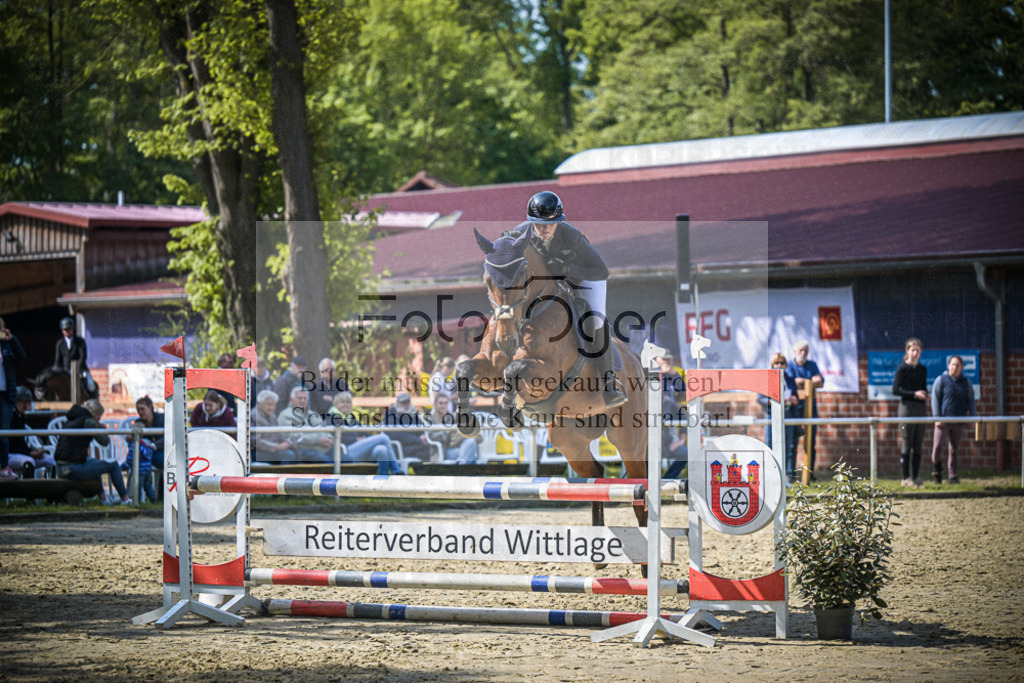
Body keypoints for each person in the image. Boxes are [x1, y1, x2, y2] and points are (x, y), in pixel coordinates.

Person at [510, 191, 626, 409]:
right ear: (530, 222)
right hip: (545, 285)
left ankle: (610, 383)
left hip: (584, 279)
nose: (544, 229)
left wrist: (566, 269)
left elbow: (601, 271)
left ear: (558, 222)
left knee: (595, 321)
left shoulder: (571, 236)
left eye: (550, 224)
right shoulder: (519, 235)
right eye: (538, 224)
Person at [54, 399, 131, 505]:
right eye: (99, 417)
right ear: (95, 415)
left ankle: (104, 499)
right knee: (113, 465)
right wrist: (101, 428)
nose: (100, 419)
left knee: (94, 462)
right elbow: (104, 441)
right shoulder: (88, 421)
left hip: (61, 468)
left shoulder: (73, 418)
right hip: (73, 468)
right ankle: (125, 499)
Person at [327, 392, 402, 474]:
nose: (345, 404)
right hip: (344, 453)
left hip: (359, 451)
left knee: (381, 449)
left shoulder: (352, 419)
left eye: (348, 402)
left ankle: (383, 481)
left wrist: (365, 440)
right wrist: (356, 439)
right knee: (383, 438)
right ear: (336, 404)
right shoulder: (331, 417)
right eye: (342, 402)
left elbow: (366, 434)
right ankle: (396, 470)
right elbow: (332, 438)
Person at [930, 355, 976, 485]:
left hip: (959, 421)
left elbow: (971, 401)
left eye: (958, 365)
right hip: (943, 421)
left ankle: (952, 475)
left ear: (962, 368)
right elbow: (935, 399)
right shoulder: (941, 380)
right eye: (953, 364)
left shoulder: (966, 383)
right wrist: (937, 418)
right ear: (948, 365)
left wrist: (973, 418)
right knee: (937, 447)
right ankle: (936, 472)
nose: (954, 367)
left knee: (954, 449)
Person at [892, 338, 928, 487]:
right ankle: (905, 477)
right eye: (912, 350)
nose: (915, 353)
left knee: (918, 444)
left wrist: (926, 394)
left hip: (920, 409)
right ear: (907, 351)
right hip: (906, 409)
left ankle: (915, 477)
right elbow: (896, 390)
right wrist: (914, 394)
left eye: (918, 350)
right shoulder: (902, 369)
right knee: (907, 442)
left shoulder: (922, 369)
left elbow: (923, 387)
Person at [785, 340, 824, 478]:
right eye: (801, 350)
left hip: (810, 407)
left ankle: (809, 473)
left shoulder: (812, 365)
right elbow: (791, 381)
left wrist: (803, 381)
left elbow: (820, 381)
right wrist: (809, 381)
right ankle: (791, 474)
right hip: (795, 409)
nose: (803, 353)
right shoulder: (789, 365)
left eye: (806, 350)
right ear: (795, 351)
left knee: (810, 441)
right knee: (792, 442)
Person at [7, 386, 57, 478]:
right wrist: (30, 453)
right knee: (29, 461)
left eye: (27, 402)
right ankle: (27, 489)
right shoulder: (9, 418)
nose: (26, 406)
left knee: (51, 460)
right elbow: (12, 447)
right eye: (23, 402)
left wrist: (33, 451)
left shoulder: (20, 417)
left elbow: (21, 445)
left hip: (21, 454)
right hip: (9, 454)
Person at [0, 317, 27, 479]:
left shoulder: (7, 345)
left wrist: (12, 339)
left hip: (5, 394)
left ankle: (4, 467)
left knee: (3, 433)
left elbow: (22, 356)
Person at [277, 387, 332, 463]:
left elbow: (324, 429)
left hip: (323, 448)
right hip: (301, 450)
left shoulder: (314, 414)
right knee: (325, 462)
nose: (302, 400)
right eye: (299, 398)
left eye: (304, 398)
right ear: (291, 400)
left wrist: (329, 438)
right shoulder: (285, 415)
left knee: (345, 460)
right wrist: (317, 440)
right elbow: (293, 436)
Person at [129, 396, 165, 502]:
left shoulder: (162, 419)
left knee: (168, 464)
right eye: (138, 410)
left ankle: (161, 497)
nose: (140, 412)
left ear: (150, 407)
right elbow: (132, 442)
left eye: (142, 409)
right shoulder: (139, 422)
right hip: (146, 456)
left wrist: (154, 445)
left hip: (160, 452)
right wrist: (130, 436)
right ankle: (141, 499)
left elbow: (168, 437)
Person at [426, 395, 479, 463]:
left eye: (446, 403)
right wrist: (447, 432)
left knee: (471, 441)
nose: (443, 405)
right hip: (444, 450)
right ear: (435, 404)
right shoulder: (431, 418)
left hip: (457, 444)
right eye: (441, 403)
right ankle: (464, 466)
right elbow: (431, 436)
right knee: (469, 455)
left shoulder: (452, 415)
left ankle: (461, 464)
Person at [382, 391, 432, 461]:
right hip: (398, 447)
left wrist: (422, 436)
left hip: (416, 445)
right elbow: (395, 434)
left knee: (429, 448)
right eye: (403, 403)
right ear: (397, 402)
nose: (405, 405)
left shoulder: (413, 413)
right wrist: (417, 439)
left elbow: (421, 428)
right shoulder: (390, 415)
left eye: (407, 402)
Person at [250, 390, 297, 464]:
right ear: (259, 404)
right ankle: (283, 475)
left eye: (274, 405)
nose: (271, 408)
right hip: (257, 452)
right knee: (289, 455)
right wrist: (277, 447)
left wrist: (288, 442)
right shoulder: (254, 416)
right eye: (268, 405)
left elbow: (278, 435)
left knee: (297, 452)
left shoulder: (272, 416)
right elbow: (256, 442)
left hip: (271, 450)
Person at [53, 316, 96, 396]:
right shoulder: (60, 343)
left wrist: (75, 370)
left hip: (80, 370)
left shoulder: (80, 341)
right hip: (65, 371)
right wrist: (58, 371)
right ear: (62, 330)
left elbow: (82, 357)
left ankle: (91, 399)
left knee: (91, 386)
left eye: (69, 329)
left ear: (73, 329)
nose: (68, 331)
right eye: (66, 329)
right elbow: (57, 360)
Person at [662, 394, 688, 479]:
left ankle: (667, 480)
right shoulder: (643, 403)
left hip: (668, 445)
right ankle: (646, 482)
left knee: (686, 453)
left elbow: (683, 420)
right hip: (649, 446)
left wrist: (681, 441)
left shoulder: (669, 403)